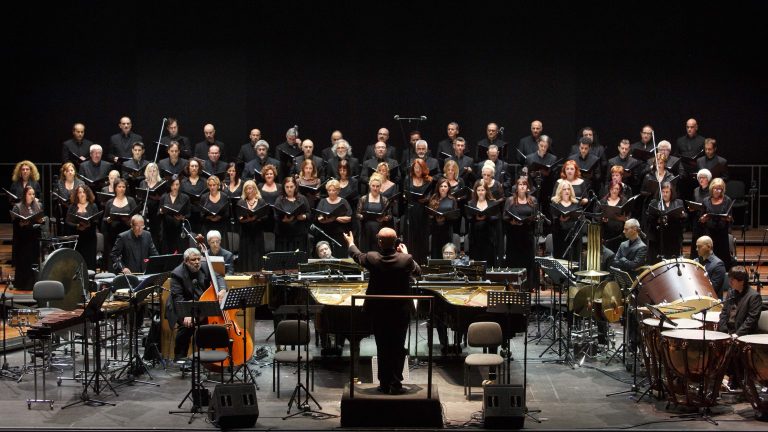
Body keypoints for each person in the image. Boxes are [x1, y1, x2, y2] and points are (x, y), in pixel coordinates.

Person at [343, 227, 421, 395]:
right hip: (400, 312)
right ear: (396, 242)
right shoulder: (406, 259)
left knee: (383, 347)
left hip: (379, 312)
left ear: (379, 242)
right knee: (398, 347)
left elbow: (356, 256)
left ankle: (384, 384)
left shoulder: (372, 258)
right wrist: (406, 253)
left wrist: (351, 243)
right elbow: (418, 272)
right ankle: (396, 383)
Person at [168, 247, 227, 362]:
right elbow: (178, 298)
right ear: (185, 261)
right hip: (184, 305)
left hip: (203, 304)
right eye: (193, 260)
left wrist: (223, 289)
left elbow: (219, 277)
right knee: (186, 326)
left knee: (211, 325)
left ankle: (210, 357)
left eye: (199, 259)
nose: (197, 262)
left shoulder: (205, 265)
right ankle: (180, 358)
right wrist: (188, 313)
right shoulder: (177, 274)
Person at [718, 266, 762, 390]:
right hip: (729, 331)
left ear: (741, 281)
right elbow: (724, 313)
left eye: (732, 280)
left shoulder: (753, 296)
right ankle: (718, 378)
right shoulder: (731, 293)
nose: (730, 282)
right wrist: (723, 331)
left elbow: (751, 320)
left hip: (743, 334)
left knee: (733, 349)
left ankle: (735, 380)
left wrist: (737, 334)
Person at [504, 177, 538, 290]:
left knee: (528, 260)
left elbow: (536, 216)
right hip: (514, 235)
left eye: (524, 184)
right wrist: (511, 221)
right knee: (514, 260)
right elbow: (504, 216)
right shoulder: (510, 200)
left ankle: (528, 285)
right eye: (520, 184)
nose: (522, 186)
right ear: (516, 187)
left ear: (527, 187)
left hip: (527, 234)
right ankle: (513, 285)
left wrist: (531, 220)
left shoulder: (532, 200)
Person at [10, 186, 44, 289]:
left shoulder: (37, 206)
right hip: (22, 240)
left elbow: (41, 222)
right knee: (23, 263)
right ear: (25, 195)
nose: (32, 196)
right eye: (29, 194)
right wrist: (21, 224)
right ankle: (22, 285)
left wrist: (41, 222)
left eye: (33, 194)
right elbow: (15, 224)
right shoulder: (18, 207)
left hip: (33, 239)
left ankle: (33, 284)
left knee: (33, 262)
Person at [644, 181, 686, 264]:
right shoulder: (654, 203)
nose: (665, 194)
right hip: (658, 236)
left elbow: (684, 218)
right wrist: (657, 220)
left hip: (673, 236)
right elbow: (648, 218)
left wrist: (683, 216)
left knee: (672, 260)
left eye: (667, 192)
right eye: (663, 192)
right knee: (657, 261)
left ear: (671, 192)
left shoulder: (678, 202)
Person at [102, 178, 138, 272]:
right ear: (115, 188)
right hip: (113, 235)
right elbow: (104, 218)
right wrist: (109, 219)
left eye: (123, 187)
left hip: (127, 234)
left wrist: (130, 221)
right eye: (119, 187)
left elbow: (136, 216)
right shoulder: (110, 202)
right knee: (114, 255)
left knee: (127, 255)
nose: (121, 189)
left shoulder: (131, 200)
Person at [402, 158, 433, 265]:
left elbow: (431, 196)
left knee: (422, 236)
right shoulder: (408, 179)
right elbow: (405, 193)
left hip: (423, 211)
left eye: (419, 168)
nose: (417, 170)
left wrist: (426, 199)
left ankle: (422, 262)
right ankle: (409, 261)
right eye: (415, 168)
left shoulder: (429, 180)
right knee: (410, 236)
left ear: (423, 168)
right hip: (411, 210)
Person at [236, 180, 269, 272]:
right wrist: (248, 219)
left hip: (257, 232)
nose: (249, 190)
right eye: (246, 189)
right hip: (245, 233)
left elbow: (265, 216)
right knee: (246, 254)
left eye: (250, 188)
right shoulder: (241, 202)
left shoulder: (261, 201)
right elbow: (239, 218)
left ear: (255, 189)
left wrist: (257, 218)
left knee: (257, 254)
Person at [700, 177, 733, 270]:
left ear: (722, 190)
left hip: (722, 233)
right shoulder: (706, 200)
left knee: (723, 256)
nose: (717, 191)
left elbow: (730, 217)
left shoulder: (727, 200)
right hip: (709, 232)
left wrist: (728, 218)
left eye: (719, 189)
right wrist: (703, 219)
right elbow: (701, 217)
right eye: (715, 188)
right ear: (711, 188)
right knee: (709, 255)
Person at [315, 179, 353, 258]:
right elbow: (319, 217)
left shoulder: (343, 201)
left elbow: (349, 218)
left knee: (340, 255)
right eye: (329, 190)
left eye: (333, 190)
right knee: (326, 255)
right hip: (326, 233)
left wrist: (335, 218)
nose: (331, 192)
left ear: (338, 191)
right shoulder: (323, 201)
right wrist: (326, 219)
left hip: (340, 234)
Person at [465, 180, 499, 265]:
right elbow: (468, 217)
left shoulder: (492, 202)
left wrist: (487, 216)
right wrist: (475, 217)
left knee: (489, 261)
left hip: (488, 236)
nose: (480, 192)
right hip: (475, 237)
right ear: (475, 191)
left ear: (486, 191)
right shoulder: (471, 203)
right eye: (478, 190)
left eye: (483, 190)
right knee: (476, 262)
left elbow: (497, 217)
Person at [273, 176, 311, 253]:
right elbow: (276, 216)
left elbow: (309, 213)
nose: (289, 189)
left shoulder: (302, 198)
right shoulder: (279, 200)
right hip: (284, 235)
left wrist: (304, 216)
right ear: (284, 187)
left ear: (295, 187)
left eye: (291, 187)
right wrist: (283, 220)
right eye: (287, 187)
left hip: (299, 235)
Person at [356, 173, 392, 252]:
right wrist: (363, 216)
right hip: (366, 229)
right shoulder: (363, 199)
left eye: (377, 186)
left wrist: (384, 218)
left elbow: (390, 216)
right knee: (366, 251)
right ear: (370, 186)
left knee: (378, 250)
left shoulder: (384, 200)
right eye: (373, 186)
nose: (375, 188)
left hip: (379, 229)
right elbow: (357, 214)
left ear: (380, 187)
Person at [66, 184, 99, 270]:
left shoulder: (93, 206)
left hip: (90, 238)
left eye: (84, 192)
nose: (82, 194)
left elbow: (96, 220)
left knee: (90, 262)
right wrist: (77, 226)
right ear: (77, 194)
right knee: (77, 262)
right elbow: (68, 221)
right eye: (79, 192)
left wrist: (89, 225)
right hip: (77, 239)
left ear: (87, 193)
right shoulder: (72, 207)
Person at [550, 181, 583, 262]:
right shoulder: (555, 203)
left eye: (568, 189)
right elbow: (553, 218)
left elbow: (580, 217)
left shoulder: (576, 203)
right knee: (561, 260)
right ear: (560, 191)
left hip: (573, 236)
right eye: (564, 189)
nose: (567, 191)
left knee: (574, 261)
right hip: (560, 236)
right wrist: (559, 219)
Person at [159, 175, 191, 255]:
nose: (175, 187)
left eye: (177, 184)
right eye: (173, 185)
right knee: (167, 252)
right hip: (167, 229)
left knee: (180, 251)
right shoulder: (164, 197)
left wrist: (182, 217)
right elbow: (159, 212)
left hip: (179, 228)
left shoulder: (185, 197)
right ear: (170, 185)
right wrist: (161, 211)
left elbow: (188, 214)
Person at [427, 178, 458, 259]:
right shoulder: (434, 198)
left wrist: (445, 218)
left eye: (445, 186)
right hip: (435, 228)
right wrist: (435, 218)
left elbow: (455, 215)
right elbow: (429, 214)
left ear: (448, 188)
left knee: (447, 250)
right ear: (438, 187)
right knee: (436, 250)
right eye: (441, 186)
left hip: (447, 228)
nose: (443, 188)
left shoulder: (452, 200)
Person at [52, 162, 84, 235]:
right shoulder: (59, 183)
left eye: (71, 170)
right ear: (64, 173)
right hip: (62, 211)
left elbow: (83, 196)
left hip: (77, 210)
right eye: (67, 171)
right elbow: (55, 196)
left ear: (74, 171)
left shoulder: (80, 183)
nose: (70, 172)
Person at [200, 175, 230, 250]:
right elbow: (201, 214)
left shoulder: (224, 196)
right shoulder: (204, 197)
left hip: (221, 226)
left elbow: (227, 213)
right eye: (210, 185)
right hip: (208, 227)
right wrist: (209, 217)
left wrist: (219, 217)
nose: (212, 187)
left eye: (214, 185)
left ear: (218, 185)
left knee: (222, 250)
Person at [598, 181, 629, 253]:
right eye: (612, 189)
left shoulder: (624, 201)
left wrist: (624, 219)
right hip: (606, 234)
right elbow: (597, 216)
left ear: (620, 190)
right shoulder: (603, 201)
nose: (614, 191)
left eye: (617, 189)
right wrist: (602, 219)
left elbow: (628, 217)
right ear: (609, 189)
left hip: (620, 235)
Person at [689, 168, 712, 260]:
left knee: (706, 242)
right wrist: (691, 208)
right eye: (699, 178)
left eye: (703, 177)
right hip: (697, 219)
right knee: (696, 240)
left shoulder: (711, 191)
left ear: (708, 179)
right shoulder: (696, 190)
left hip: (707, 220)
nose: (701, 180)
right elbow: (695, 202)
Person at [180, 158, 206, 233]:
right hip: (188, 214)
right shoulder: (183, 182)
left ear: (199, 168)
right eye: (192, 166)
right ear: (188, 167)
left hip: (200, 214)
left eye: (196, 166)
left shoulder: (204, 181)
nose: (194, 168)